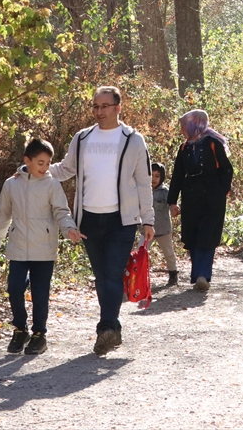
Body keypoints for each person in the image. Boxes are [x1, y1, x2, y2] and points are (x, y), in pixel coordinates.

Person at [50, 86, 154, 356]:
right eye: (96, 106)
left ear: (118, 107)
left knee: (112, 272)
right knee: (102, 275)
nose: (99, 111)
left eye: (105, 106)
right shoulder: (83, 138)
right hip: (89, 219)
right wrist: (34, 170)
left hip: (123, 220)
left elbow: (143, 181)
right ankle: (112, 329)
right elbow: (65, 169)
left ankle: (107, 328)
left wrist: (148, 220)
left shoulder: (132, 140)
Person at [0, 138, 83, 355]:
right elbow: (2, 215)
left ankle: (39, 334)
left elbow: (61, 211)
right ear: (27, 160)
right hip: (18, 247)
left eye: (48, 163)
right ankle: (20, 329)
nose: (45, 167)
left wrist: (70, 230)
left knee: (40, 293)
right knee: (14, 288)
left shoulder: (52, 185)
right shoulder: (11, 184)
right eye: (40, 163)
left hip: (44, 249)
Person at [169, 109, 234, 291]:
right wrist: (172, 201)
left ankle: (203, 275)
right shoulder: (184, 148)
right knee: (193, 236)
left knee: (208, 235)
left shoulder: (213, 144)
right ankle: (197, 274)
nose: (182, 130)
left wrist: (222, 190)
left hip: (212, 197)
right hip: (191, 197)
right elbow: (177, 176)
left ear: (194, 125)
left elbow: (227, 170)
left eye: (184, 126)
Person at [150, 163, 179, 289]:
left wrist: (175, 210)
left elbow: (172, 206)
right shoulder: (142, 190)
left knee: (169, 253)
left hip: (163, 228)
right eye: (151, 175)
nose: (154, 179)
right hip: (146, 229)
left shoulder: (165, 192)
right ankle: (139, 276)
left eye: (157, 176)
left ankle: (173, 274)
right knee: (141, 252)